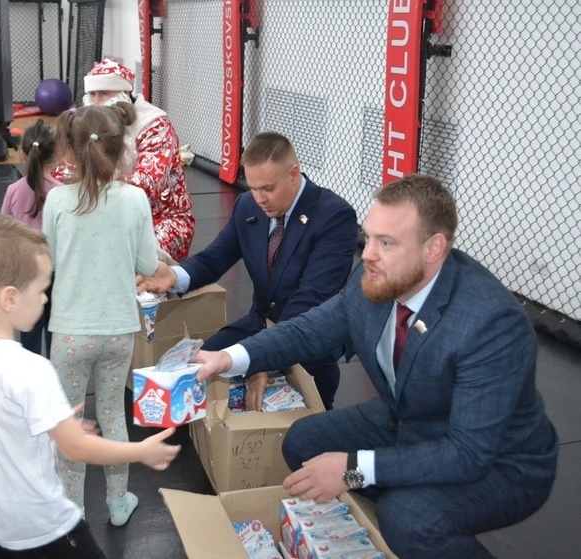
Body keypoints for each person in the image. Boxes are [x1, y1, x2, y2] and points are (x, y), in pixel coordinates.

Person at [193, 174, 559, 558]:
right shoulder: (379, 277)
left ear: (434, 248)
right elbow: (309, 330)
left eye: (386, 243)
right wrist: (229, 357)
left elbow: (467, 452)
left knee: (406, 518)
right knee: (304, 443)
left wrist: (354, 470)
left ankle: (418, 515)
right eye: (368, 237)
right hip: (409, 418)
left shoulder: (490, 324)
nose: (366, 253)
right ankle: (409, 501)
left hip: (500, 462)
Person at [0, 214, 180, 558]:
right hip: (41, 525)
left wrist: (51, 421)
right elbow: (78, 450)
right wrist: (141, 452)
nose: (44, 299)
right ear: (9, 298)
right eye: (41, 290)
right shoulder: (30, 368)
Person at [137, 132, 358, 410]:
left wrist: (263, 356)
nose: (259, 198)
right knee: (193, 373)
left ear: (293, 174)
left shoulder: (335, 216)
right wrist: (175, 276)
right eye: (252, 187)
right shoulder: (247, 205)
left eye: (267, 188)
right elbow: (214, 259)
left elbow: (312, 299)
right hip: (260, 324)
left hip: (307, 341)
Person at [43, 102, 160, 526]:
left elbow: (51, 259)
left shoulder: (57, 199)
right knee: (112, 413)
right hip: (118, 331)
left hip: (70, 332)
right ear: (121, 147)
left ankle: (72, 511)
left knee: (70, 422)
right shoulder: (135, 199)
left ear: (69, 150)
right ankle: (118, 501)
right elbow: (148, 265)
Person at [78, 58, 195, 262]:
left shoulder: (155, 125)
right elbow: (65, 172)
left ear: (124, 94)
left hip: (159, 220)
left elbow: (147, 185)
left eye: (104, 93)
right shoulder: (89, 123)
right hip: (106, 213)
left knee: (114, 254)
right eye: (92, 94)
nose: (96, 101)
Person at [0, 119, 62, 356]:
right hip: (54, 271)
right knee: (54, 330)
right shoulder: (60, 192)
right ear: (56, 157)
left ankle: (29, 383)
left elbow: (5, 232)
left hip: (26, 273)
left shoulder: (13, 191)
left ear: (23, 155)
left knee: (29, 333)